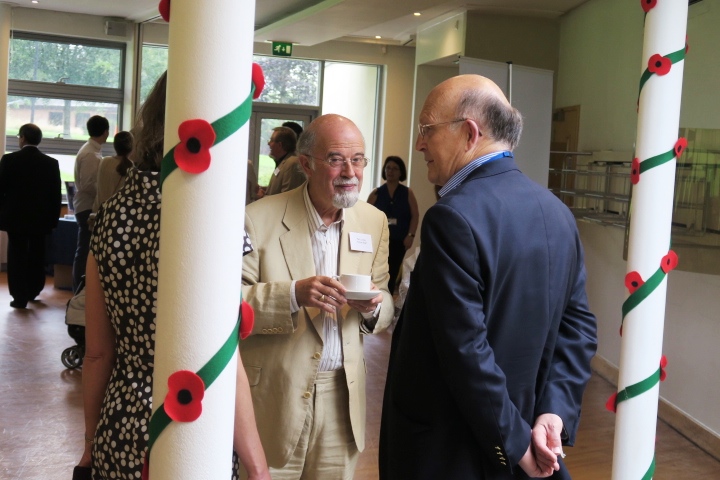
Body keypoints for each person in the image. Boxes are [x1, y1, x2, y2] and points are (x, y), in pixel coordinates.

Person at [379, 75, 598, 479]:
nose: (419, 144)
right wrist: (554, 412)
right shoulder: (557, 212)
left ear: (469, 133)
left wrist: (515, 445)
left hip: (451, 452)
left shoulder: (452, 217)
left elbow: (466, 350)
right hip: (522, 437)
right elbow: (579, 327)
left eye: (426, 129)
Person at [75, 72, 269, 480]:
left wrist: (91, 444)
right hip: (191, 426)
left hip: (122, 423)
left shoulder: (110, 215)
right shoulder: (212, 219)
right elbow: (224, 358)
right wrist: (257, 465)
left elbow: (96, 354)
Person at [240, 113, 394, 479]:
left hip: (341, 400)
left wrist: (373, 307)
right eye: (337, 159)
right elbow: (230, 305)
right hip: (274, 399)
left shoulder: (373, 222)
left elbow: (386, 300)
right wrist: (293, 295)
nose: (350, 171)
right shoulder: (257, 219)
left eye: (358, 160)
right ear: (306, 164)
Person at [0, 124, 61, 308]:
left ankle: (19, 296)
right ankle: (34, 289)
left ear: (23, 138)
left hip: (15, 218)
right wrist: (53, 220)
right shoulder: (50, 163)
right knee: (37, 253)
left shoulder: (9, 160)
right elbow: (55, 195)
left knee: (16, 254)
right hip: (40, 219)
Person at [367, 156, 418, 294]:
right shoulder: (376, 193)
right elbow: (366, 216)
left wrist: (411, 235)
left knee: (392, 272)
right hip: (378, 241)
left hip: (399, 240)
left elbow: (415, 215)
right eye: (388, 168)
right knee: (377, 273)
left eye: (395, 168)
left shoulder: (407, 193)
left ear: (401, 172)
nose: (390, 171)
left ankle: (386, 300)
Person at [72, 115, 109, 292]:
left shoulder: (91, 151)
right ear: (105, 132)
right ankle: (79, 289)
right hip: (87, 206)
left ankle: (80, 288)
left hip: (85, 205)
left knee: (85, 249)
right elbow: (88, 185)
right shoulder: (90, 154)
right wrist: (106, 189)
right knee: (84, 250)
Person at [92, 131, 134, 212]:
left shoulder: (104, 161)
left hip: (98, 212)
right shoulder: (131, 167)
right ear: (131, 147)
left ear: (115, 146)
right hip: (116, 214)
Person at [261, 126, 306, 197]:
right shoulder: (283, 162)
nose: (269, 143)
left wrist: (264, 197)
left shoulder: (292, 163)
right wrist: (266, 190)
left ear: (280, 145)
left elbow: (287, 197)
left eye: (271, 140)